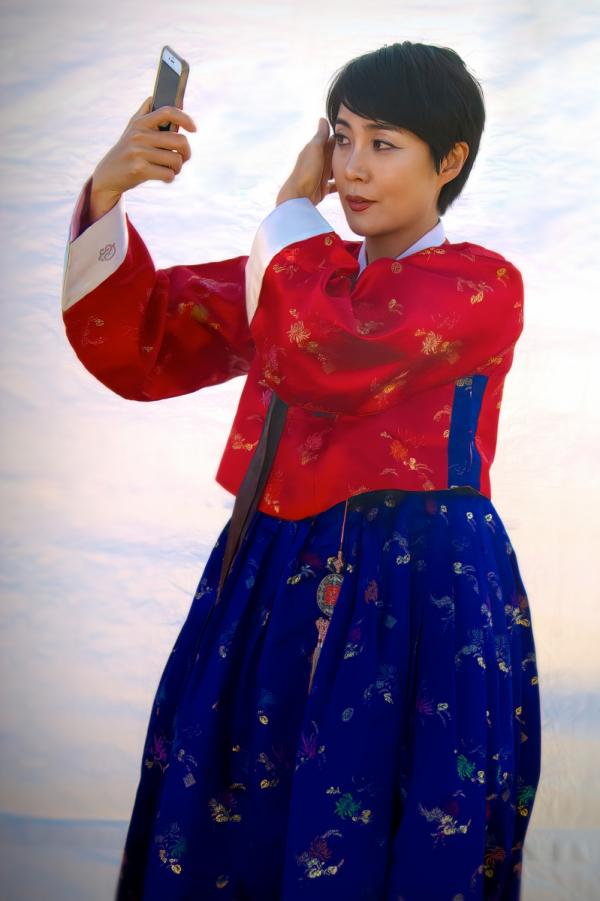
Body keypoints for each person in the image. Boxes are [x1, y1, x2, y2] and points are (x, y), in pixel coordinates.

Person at [61, 40, 541, 901]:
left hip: (417, 597)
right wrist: (106, 193)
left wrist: (290, 204)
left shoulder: (481, 284)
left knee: (401, 831)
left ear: (452, 160)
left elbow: (330, 346)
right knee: (231, 827)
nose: (353, 169)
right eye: (343, 139)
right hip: (273, 579)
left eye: (384, 144)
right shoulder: (297, 280)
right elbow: (143, 341)